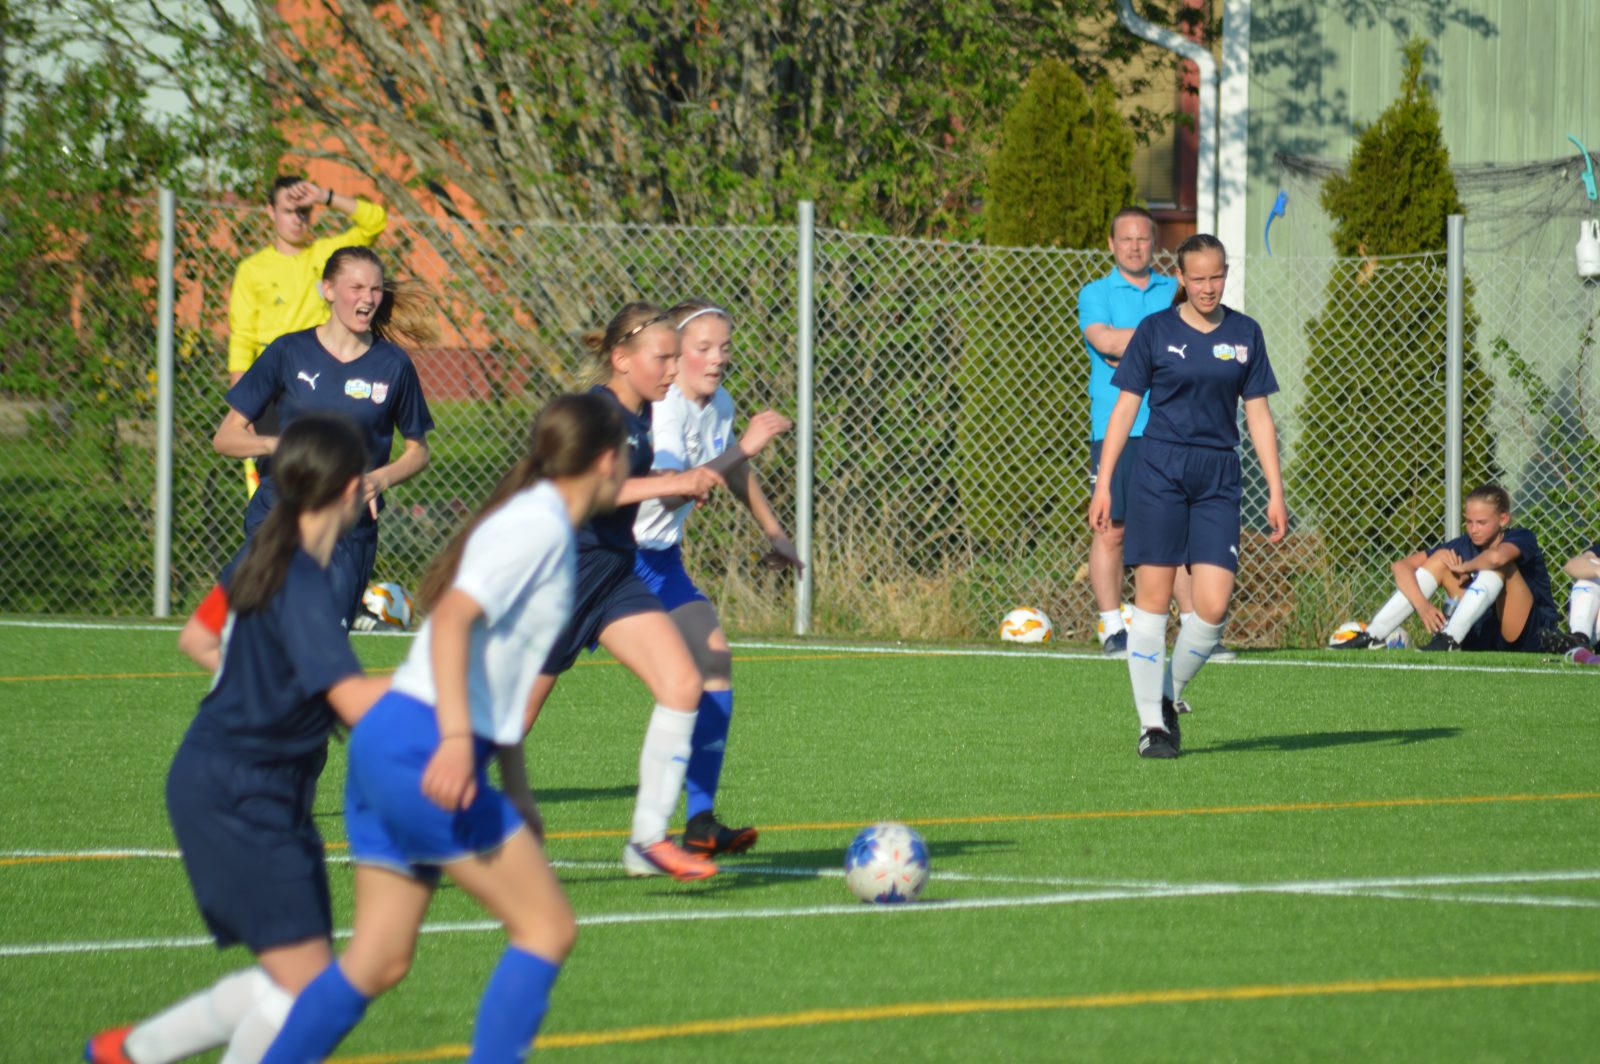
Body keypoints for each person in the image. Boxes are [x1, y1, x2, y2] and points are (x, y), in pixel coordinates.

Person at [259, 393, 630, 1064]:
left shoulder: (542, 525)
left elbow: (504, 676)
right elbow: (455, 619)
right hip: (424, 745)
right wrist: (460, 742)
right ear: (607, 461)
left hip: (393, 743)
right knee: (546, 929)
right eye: (628, 453)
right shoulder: (538, 528)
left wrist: (515, 786)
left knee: (378, 962)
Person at [84, 415, 390, 1064]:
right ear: (349, 488)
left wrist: (264, 686)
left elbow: (200, 638)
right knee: (309, 988)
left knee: (296, 980)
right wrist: (454, 672)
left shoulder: (273, 552)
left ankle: (131, 1051)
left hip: (265, 787)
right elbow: (357, 703)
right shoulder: (307, 579)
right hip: (237, 791)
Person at [502, 302, 725, 882]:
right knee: (509, 725)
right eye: (663, 358)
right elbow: (591, 493)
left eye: (678, 359)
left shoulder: (641, 415)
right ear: (622, 360)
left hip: (614, 577)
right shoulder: (594, 414)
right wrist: (676, 480)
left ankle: (648, 839)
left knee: (682, 684)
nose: (673, 371)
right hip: (565, 578)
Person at [1089, 233, 1288, 760]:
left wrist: (1275, 489)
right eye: (1196, 277)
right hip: (1159, 469)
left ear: (1227, 273)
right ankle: (1152, 726)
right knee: (1152, 602)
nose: (1207, 286)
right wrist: (1106, 481)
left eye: (1216, 276)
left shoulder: (1246, 333)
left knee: (1214, 605)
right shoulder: (1155, 331)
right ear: (1179, 277)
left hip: (1219, 474)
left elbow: (1258, 415)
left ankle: (1168, 694)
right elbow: (1126, 408)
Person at [631, 300, 801, 857]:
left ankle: (700, 819)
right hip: (609, 559)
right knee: (528, 694)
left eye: (724, 347)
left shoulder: (718, 403)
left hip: (660, 559)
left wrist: (775, 533)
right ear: (674, 359)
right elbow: (679, 480)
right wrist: (747, 443)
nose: (717, 358)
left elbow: (732, 466)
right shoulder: (666, 409)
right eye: (703, 348)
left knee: (714, 662)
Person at [212, 246, 434, 628]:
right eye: (357, 287)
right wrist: (275, 444)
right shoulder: (289, 351)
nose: (367, 299)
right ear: (327, 290)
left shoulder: (393, 365)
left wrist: (379, 478)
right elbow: (225, 438)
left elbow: (418, 451)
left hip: (348, 526)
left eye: (375, 289)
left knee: (318, 650)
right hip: (281, 514)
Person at [1078, 207, 1228, 660]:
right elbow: (1103, 341)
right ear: (1111, 244)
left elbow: (1201, 329)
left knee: (1176, 535)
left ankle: (1196, 636)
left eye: (1143, 239)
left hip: (1174, 429)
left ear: (1156, 244)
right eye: (1126, 239)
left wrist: (1141, 344)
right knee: (1112, 530)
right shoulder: (1096, 292)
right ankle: (1112, 630)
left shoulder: (1174, 287)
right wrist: (1161, 340)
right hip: (1117, 428)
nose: (1135, 246)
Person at [229, 177, 388, 497]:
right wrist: (242, 404)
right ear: (270, 211)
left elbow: (375, 221)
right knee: (279, 479)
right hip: (272, 384)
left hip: (323, 376)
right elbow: (242, 338)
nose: (298, 219)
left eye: (304, 211)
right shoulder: (252, 269)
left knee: (326, 471)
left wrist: (326, 194)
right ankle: (279, 540)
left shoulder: (327, 255)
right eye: (289, 210)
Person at [1331, 484, 1558, 653]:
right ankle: (1374, 635)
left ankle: (1449, 639)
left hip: (1529, 636)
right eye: (1468, 521)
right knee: (1440, 558)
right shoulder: (1463, 544)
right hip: (1484, 636)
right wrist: (1423, 606)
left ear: (1503, 519)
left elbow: (1497, 557)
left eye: (1481, 522)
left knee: (1496, 566)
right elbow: (1400, 566)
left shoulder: (1521, 537)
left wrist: (1466, 567)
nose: (1473, 529)